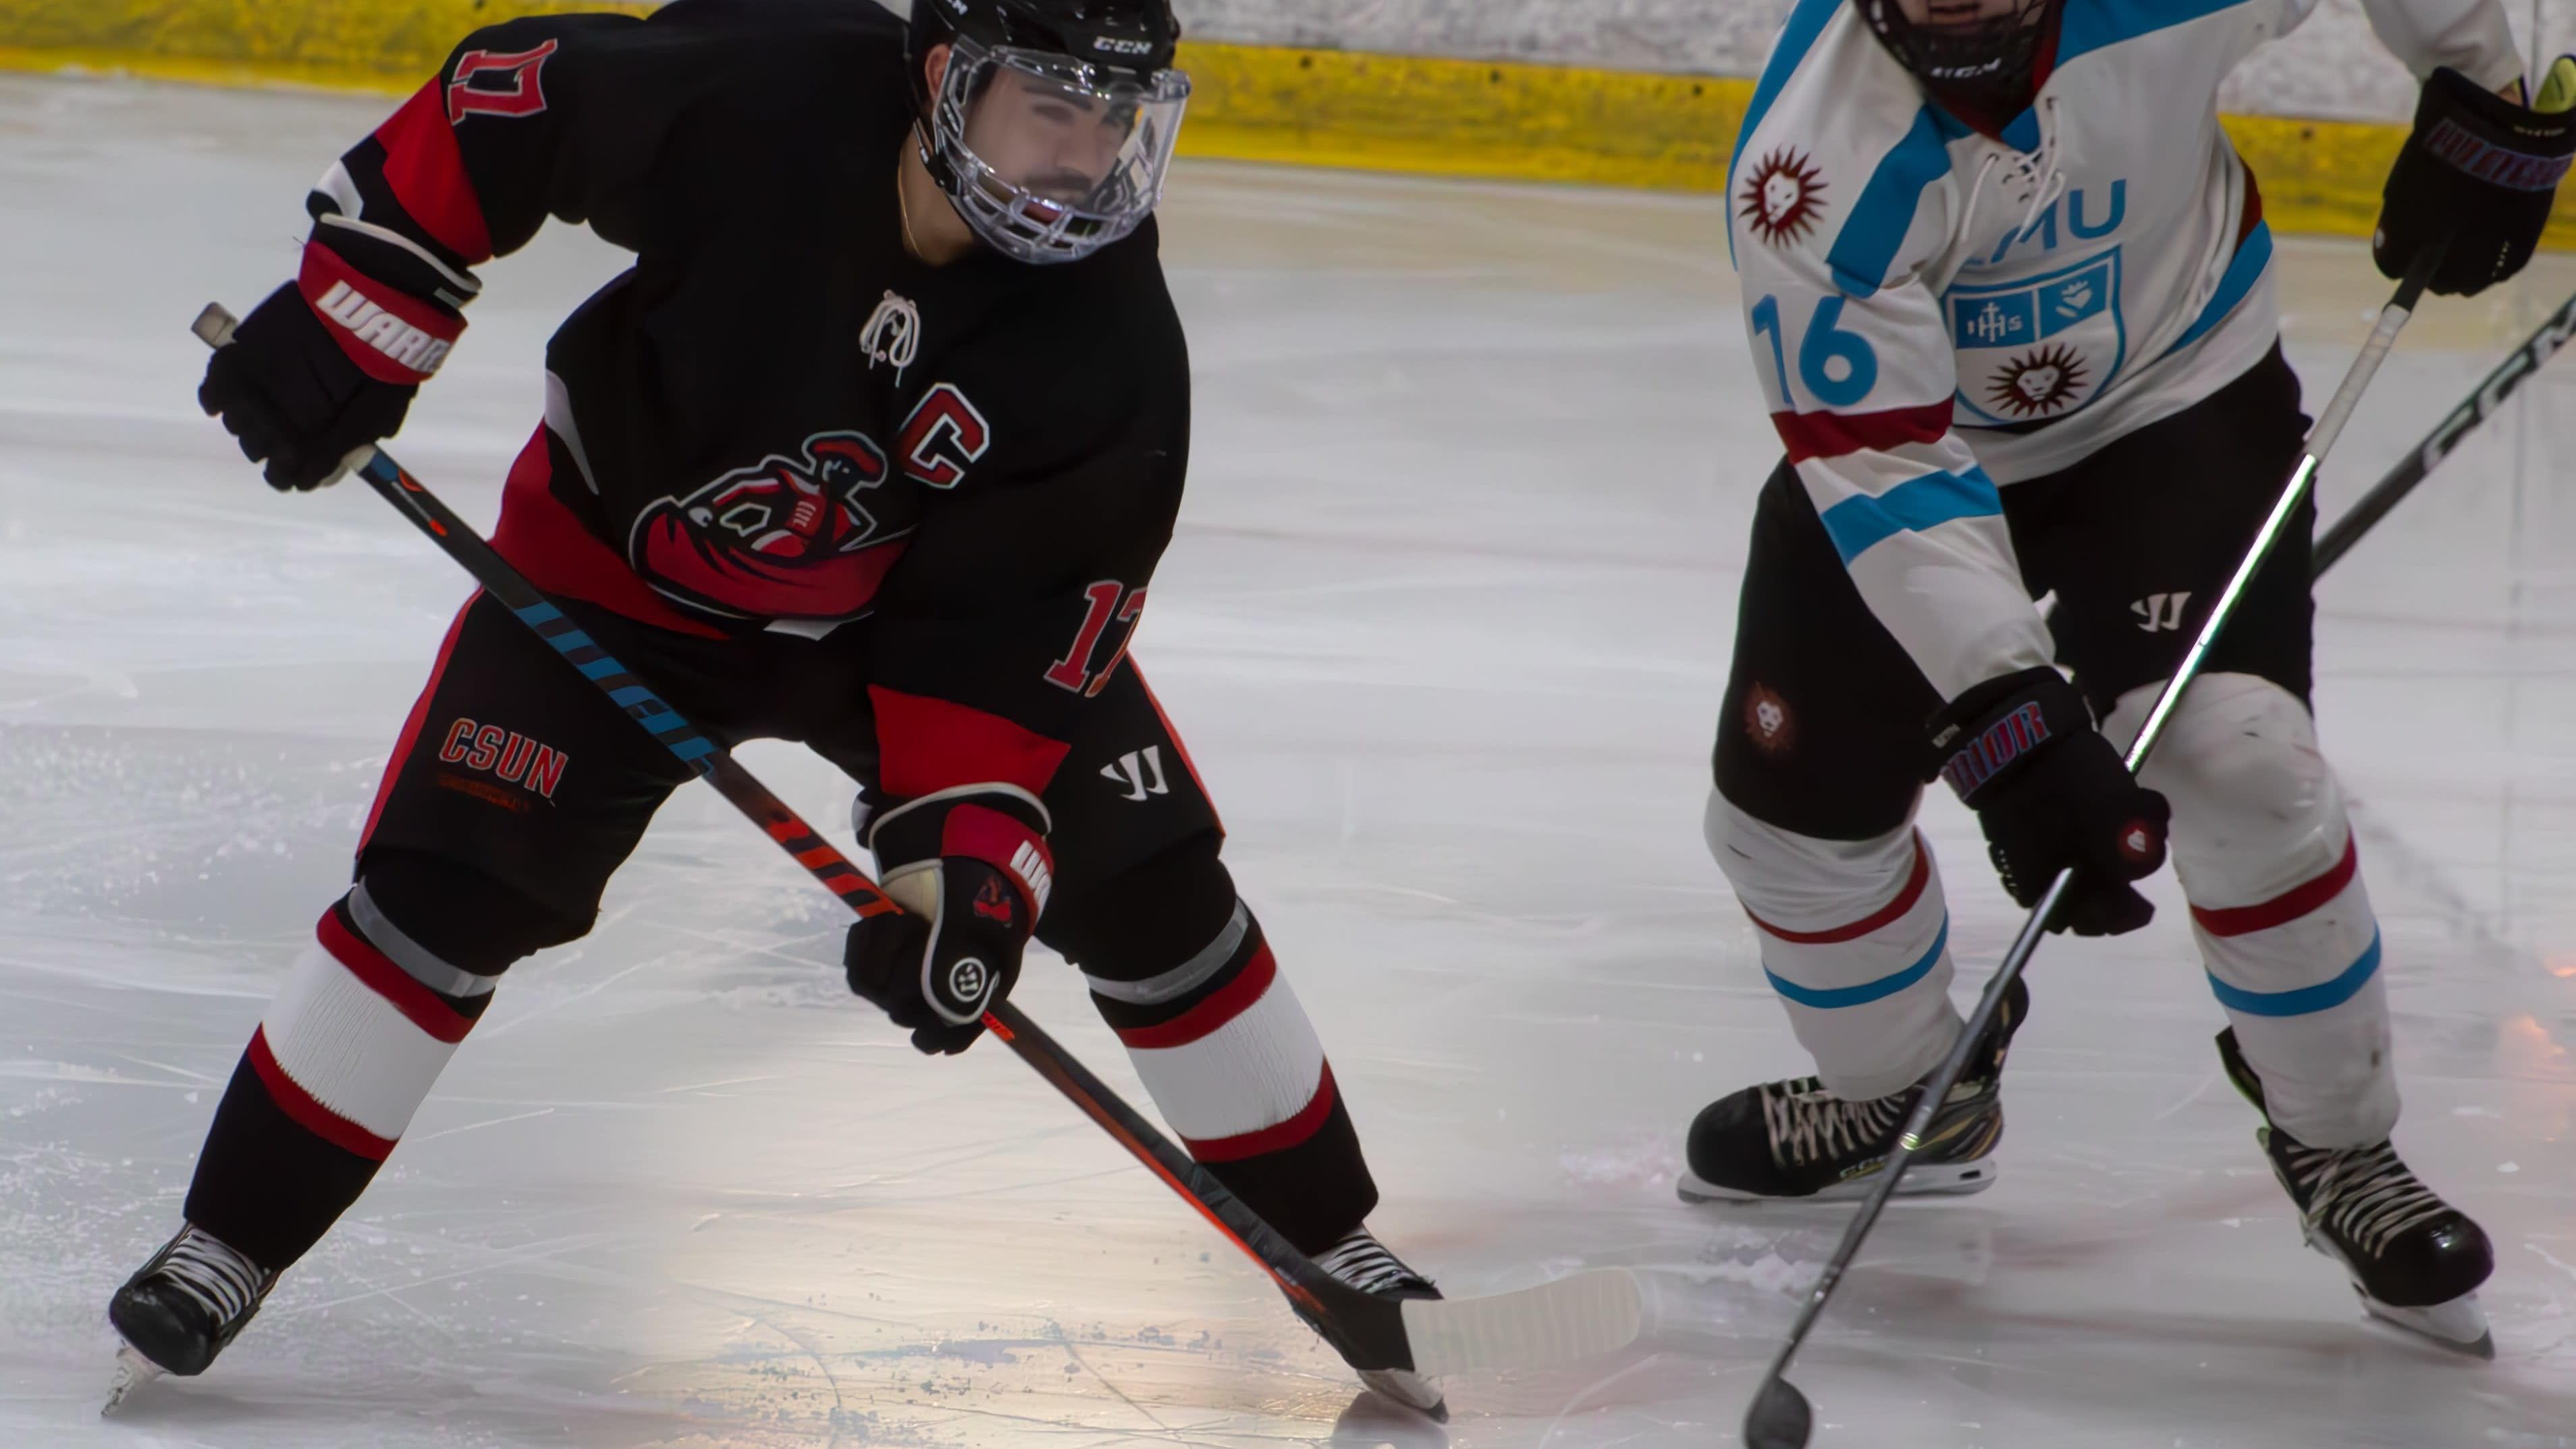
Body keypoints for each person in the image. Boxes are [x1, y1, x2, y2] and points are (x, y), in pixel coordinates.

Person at [109, 0, 1445, 1417]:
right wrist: (354, 321)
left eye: (1113, 117)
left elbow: (1009, 655)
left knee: (1148, 883)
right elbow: (509, 101)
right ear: (947, 78)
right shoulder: (768, 93)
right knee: (448, 886)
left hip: (894, 632)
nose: (1084, 157)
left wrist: (964, 889)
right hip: (613, 576)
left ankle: (1334, 1243)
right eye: (1051, 107)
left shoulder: (1110, 345)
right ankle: (225, 1243)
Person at [1685, 0, 2572, 1356]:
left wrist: (2489, 87)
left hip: (2178, 397)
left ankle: (2339, 1143)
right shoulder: (1808, 173)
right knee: (1784, 829)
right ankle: (1915, 1094)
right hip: (1925, 456)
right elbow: (1888, 466)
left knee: (2238, 759)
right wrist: (2014, 722)